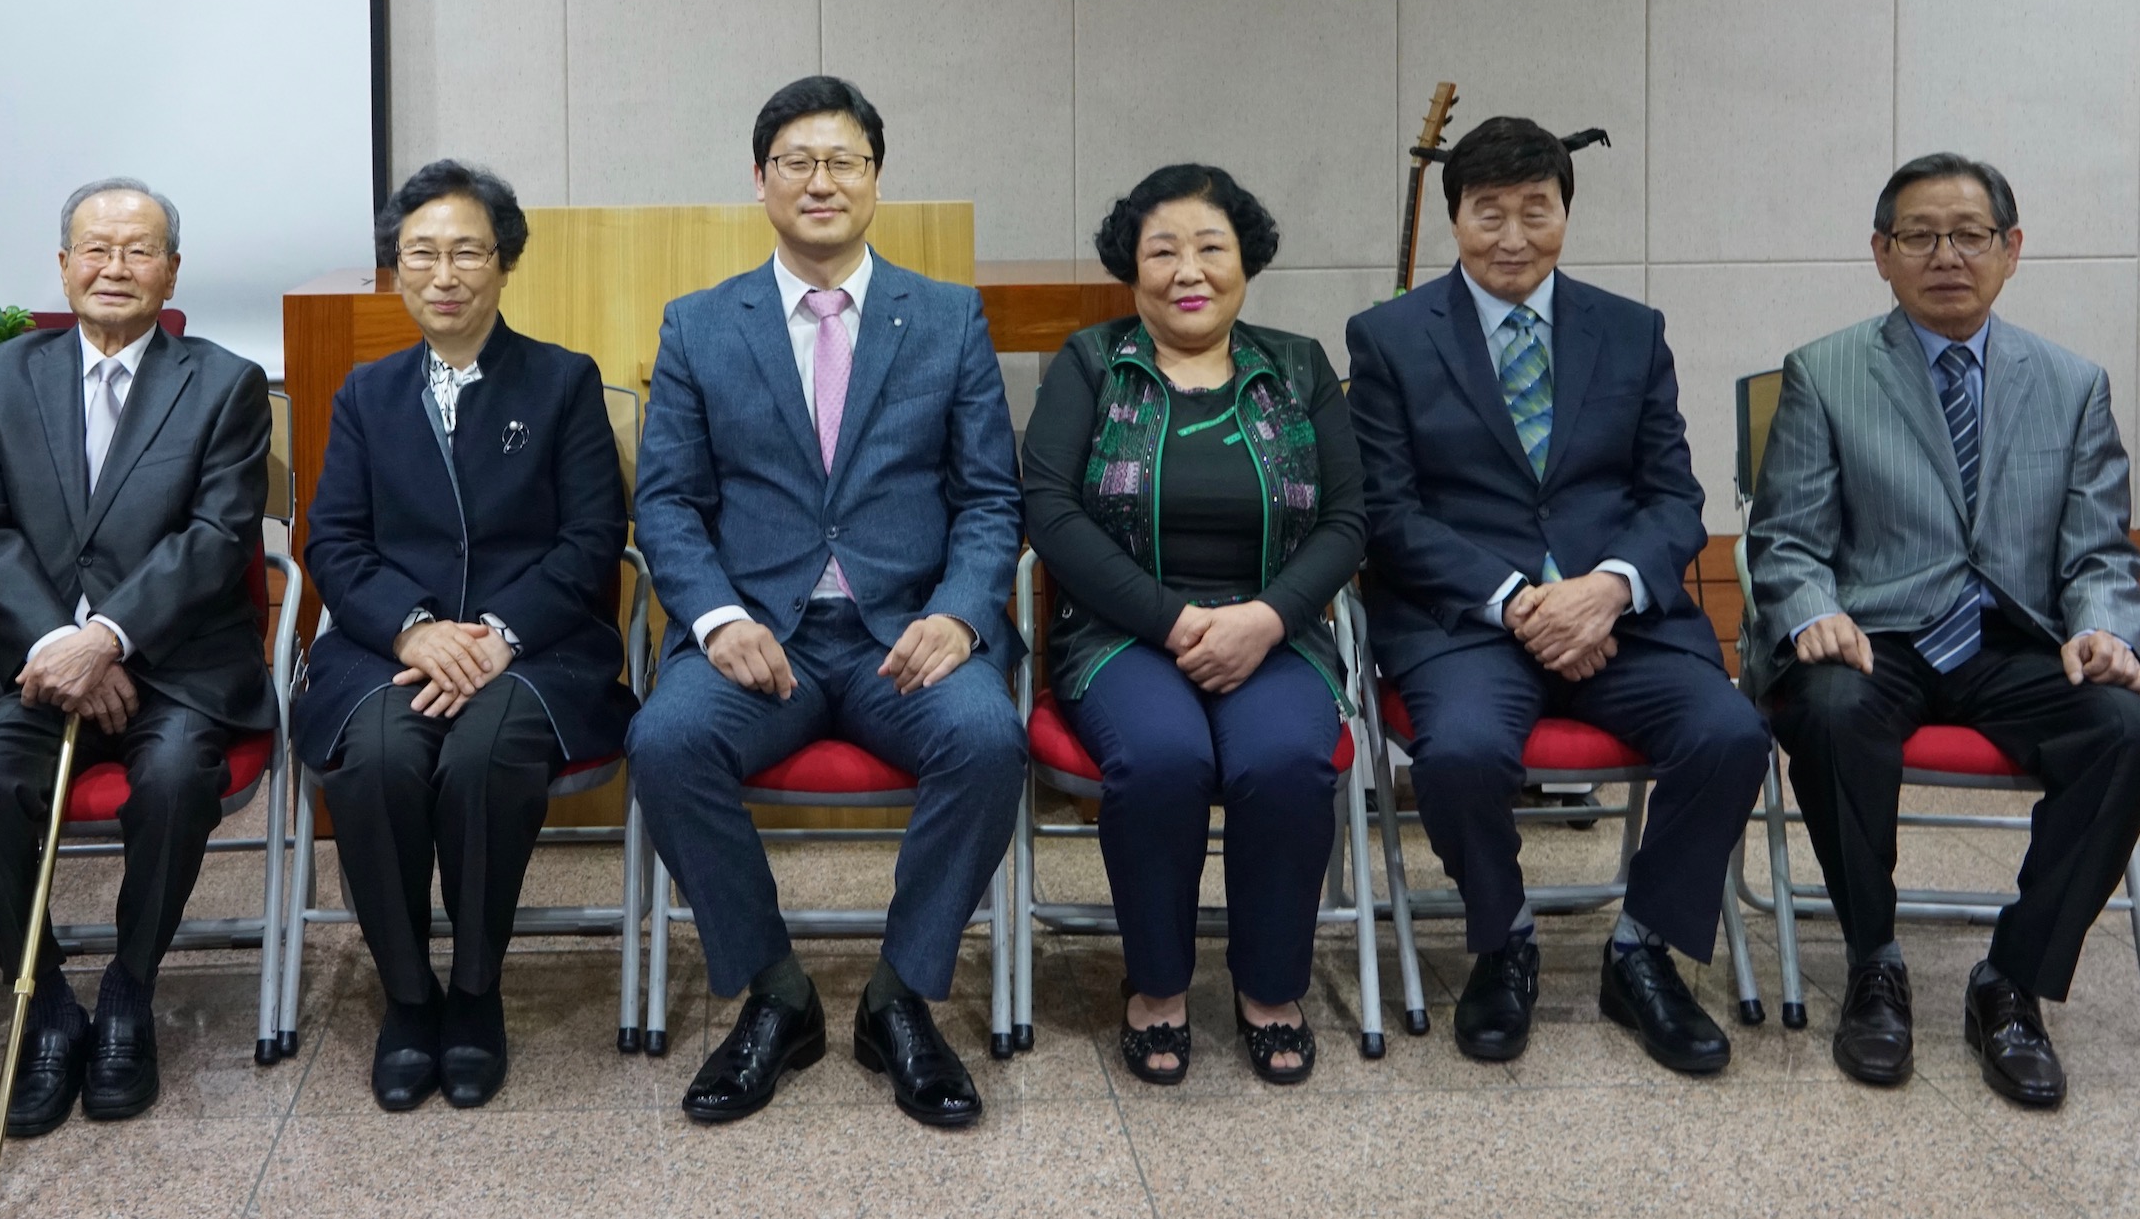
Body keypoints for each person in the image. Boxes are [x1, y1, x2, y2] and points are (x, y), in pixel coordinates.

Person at [628, 76, 1027, 1131]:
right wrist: (718, 619)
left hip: (910, 636)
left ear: (875, 179)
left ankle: (900, 996)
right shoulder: (700, 325)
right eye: (796, 162)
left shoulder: (947, 317)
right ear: (760, 180)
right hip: (761, 639)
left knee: (988, 739)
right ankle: (777, 992)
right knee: (666, 741)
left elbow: (991, 496)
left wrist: (961, 612)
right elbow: (666, 502)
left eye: (842, 160)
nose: (820, 181)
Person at [1746, 153, 2140, 1108]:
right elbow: (1785, 539)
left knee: (2132, 731)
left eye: (1970, 234)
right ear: (1882, 253)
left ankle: (2011, 982)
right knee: (1826, 708)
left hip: (2014, 640)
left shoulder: (2072, 383)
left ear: (2011, 249)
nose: (1947, 255)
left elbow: (2100, 551)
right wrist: (1813, 609)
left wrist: (2105, 629)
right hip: (1877, 634)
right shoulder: (1825, 371)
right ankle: (1874, 962)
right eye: (1920, 235)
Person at [1345, 116, 1766, 1076]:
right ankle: (1504, 942)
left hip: (1620, 618)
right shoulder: (1390, 338)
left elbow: (1674, 498)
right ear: (1455, 218)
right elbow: (1388, 513)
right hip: (1468, 621)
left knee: (1731, 734)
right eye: (1488, 212)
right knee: (1458, 755)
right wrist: (1519, 600)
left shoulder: (1632, 330)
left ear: (1566, 213)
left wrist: (1608, 590)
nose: (1512, 236)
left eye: (1535, 210)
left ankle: (1643, 948)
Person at [0, 179, 274, 1136]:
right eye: (95, 248)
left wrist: (109, 637)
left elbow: (217, 536)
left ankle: (130, 986)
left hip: (176, 666)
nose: (114, 267)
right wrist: (58, 644)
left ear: (172, 270)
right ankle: (43, 1001)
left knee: (174, 777)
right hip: (36, 665)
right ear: (63, 264)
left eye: (138, 250)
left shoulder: (226, 383)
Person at [296, 160, 632, 1113]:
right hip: (389, 646)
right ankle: (409, 996)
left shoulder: (562, 381)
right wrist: (413, 631)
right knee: (378, 756)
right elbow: (336, 541)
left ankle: (477, 990)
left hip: (536, 647)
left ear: (504, 262)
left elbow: (591, 538)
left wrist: (497, 633)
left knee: (486, 754)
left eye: (466, 252)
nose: (443, 275)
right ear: (397, 269)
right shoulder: (367, 392)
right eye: (421, 254)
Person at [1023, 164, 1366, 1087]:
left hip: (1274, 627)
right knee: (1162, 758)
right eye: (1163, 250)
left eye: (1211, 247)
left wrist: (1267, 616)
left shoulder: (1299, 366)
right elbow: (1049, 510)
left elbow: (1348, 519)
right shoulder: (1091, 362)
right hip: (1122, 631)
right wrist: (1173, 619)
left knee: (1284, 760)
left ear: (1245, 261)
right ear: (1130, 267)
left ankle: (1270, 987)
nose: (1189, 269)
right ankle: (1158, 985)